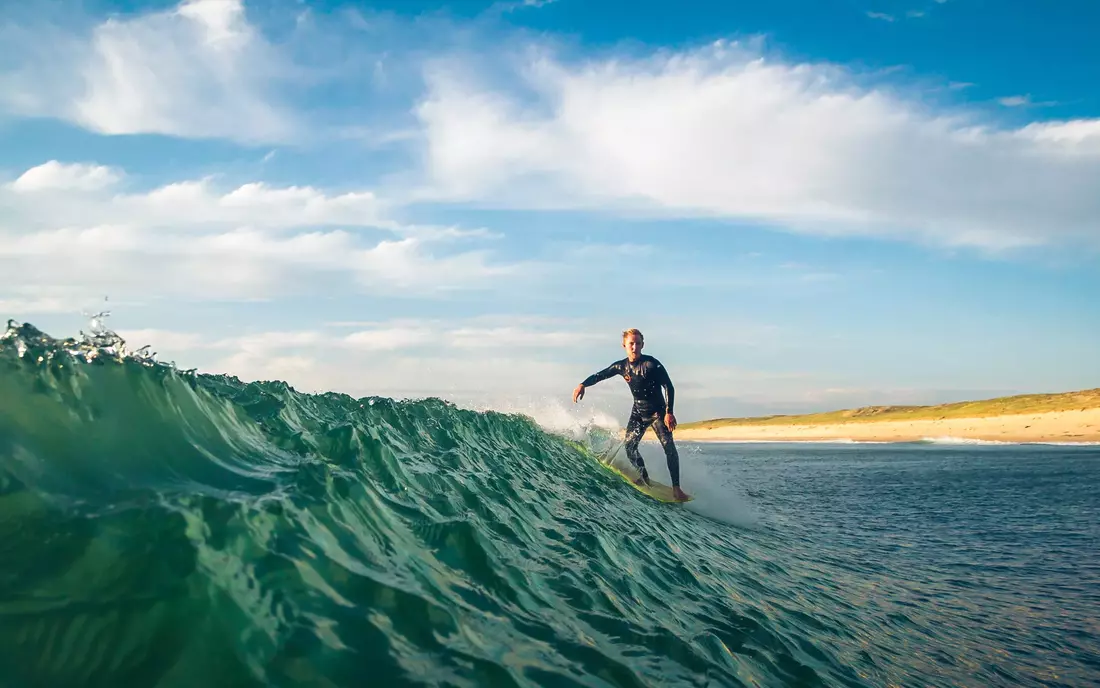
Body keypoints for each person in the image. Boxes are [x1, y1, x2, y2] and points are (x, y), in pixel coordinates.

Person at [572, 328, 688, 501]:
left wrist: (669, 412)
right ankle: (644, 477)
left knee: (668, 448)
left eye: (637, 343)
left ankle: (677, 488)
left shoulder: (651, 364)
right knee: (630, 446)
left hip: (657, 413)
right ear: (624, 346)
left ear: (642, 345)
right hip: (638, 412)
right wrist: (583, 384)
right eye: (631, 344)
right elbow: (601, 375)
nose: (634, 347)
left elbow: (668, 387)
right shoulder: (622, 366)